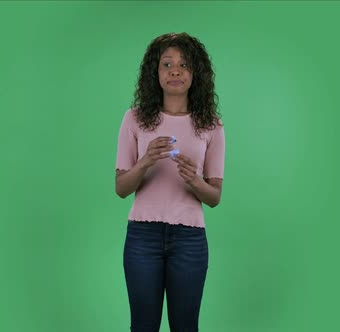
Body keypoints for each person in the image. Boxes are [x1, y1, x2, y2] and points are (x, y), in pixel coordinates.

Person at [114, 32, 226, 332]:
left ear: (196, 73)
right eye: (166, 64)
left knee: (186, 327)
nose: (175, 70)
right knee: (143, 326)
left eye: (184, 64)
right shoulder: (135, 118)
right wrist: (145, 161)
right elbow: (121, 188)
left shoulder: (211, 124)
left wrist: (194, 180)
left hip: (189, 240)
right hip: (142, 238)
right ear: (155, 72)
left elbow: (214, 197)